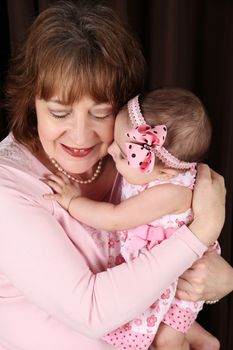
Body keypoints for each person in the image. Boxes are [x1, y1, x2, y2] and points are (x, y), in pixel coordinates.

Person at [0, 1, 227, 350]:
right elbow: (93, 310)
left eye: (101, 113)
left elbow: (188, 260)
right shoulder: (7, 185)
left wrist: (221, 278)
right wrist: (204, 230)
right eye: (59, 113)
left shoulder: (135, 160)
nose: (80, 136)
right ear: (32, 101)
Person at [43, 87, 220, 350]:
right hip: (166, 273)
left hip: (180, 278)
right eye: (116, 140)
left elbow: (115, 219)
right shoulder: (157, 173)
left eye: (125, 156)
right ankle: (204, 340)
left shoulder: (170, 193)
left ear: (166, 173)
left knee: (166, 340)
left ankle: (197, 342)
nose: (112, 151)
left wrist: (72, 201)